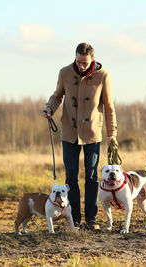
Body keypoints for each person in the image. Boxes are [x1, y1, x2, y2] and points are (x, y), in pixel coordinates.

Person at [43, 42, 117, 230]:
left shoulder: (103, 76)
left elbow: (109, 107)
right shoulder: (65, 72)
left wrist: (112, 134)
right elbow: (57, 96)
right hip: (69, 133)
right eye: (78, 62)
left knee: (92, 176)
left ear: (93, 59)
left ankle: (91, 219)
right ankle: (74, 218)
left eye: (85, 63)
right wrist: (50, 108)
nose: (81, 66)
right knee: (71, 177)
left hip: (92, 132)